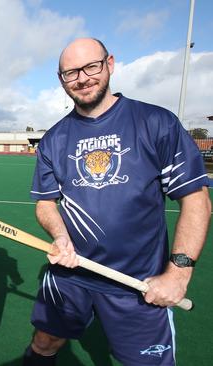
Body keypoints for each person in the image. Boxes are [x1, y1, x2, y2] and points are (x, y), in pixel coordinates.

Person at [24, 38, 211, 366]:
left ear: (109, 64)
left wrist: (178, 274)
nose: (82, 78)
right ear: (60, 79)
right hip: (71, 276)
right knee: (44, 343)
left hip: (138, 283)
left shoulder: (155, 122)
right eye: (71, 73)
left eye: (90, 67)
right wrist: (60, 235)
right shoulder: (54, 139)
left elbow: (196, 199)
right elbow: (45, 203)